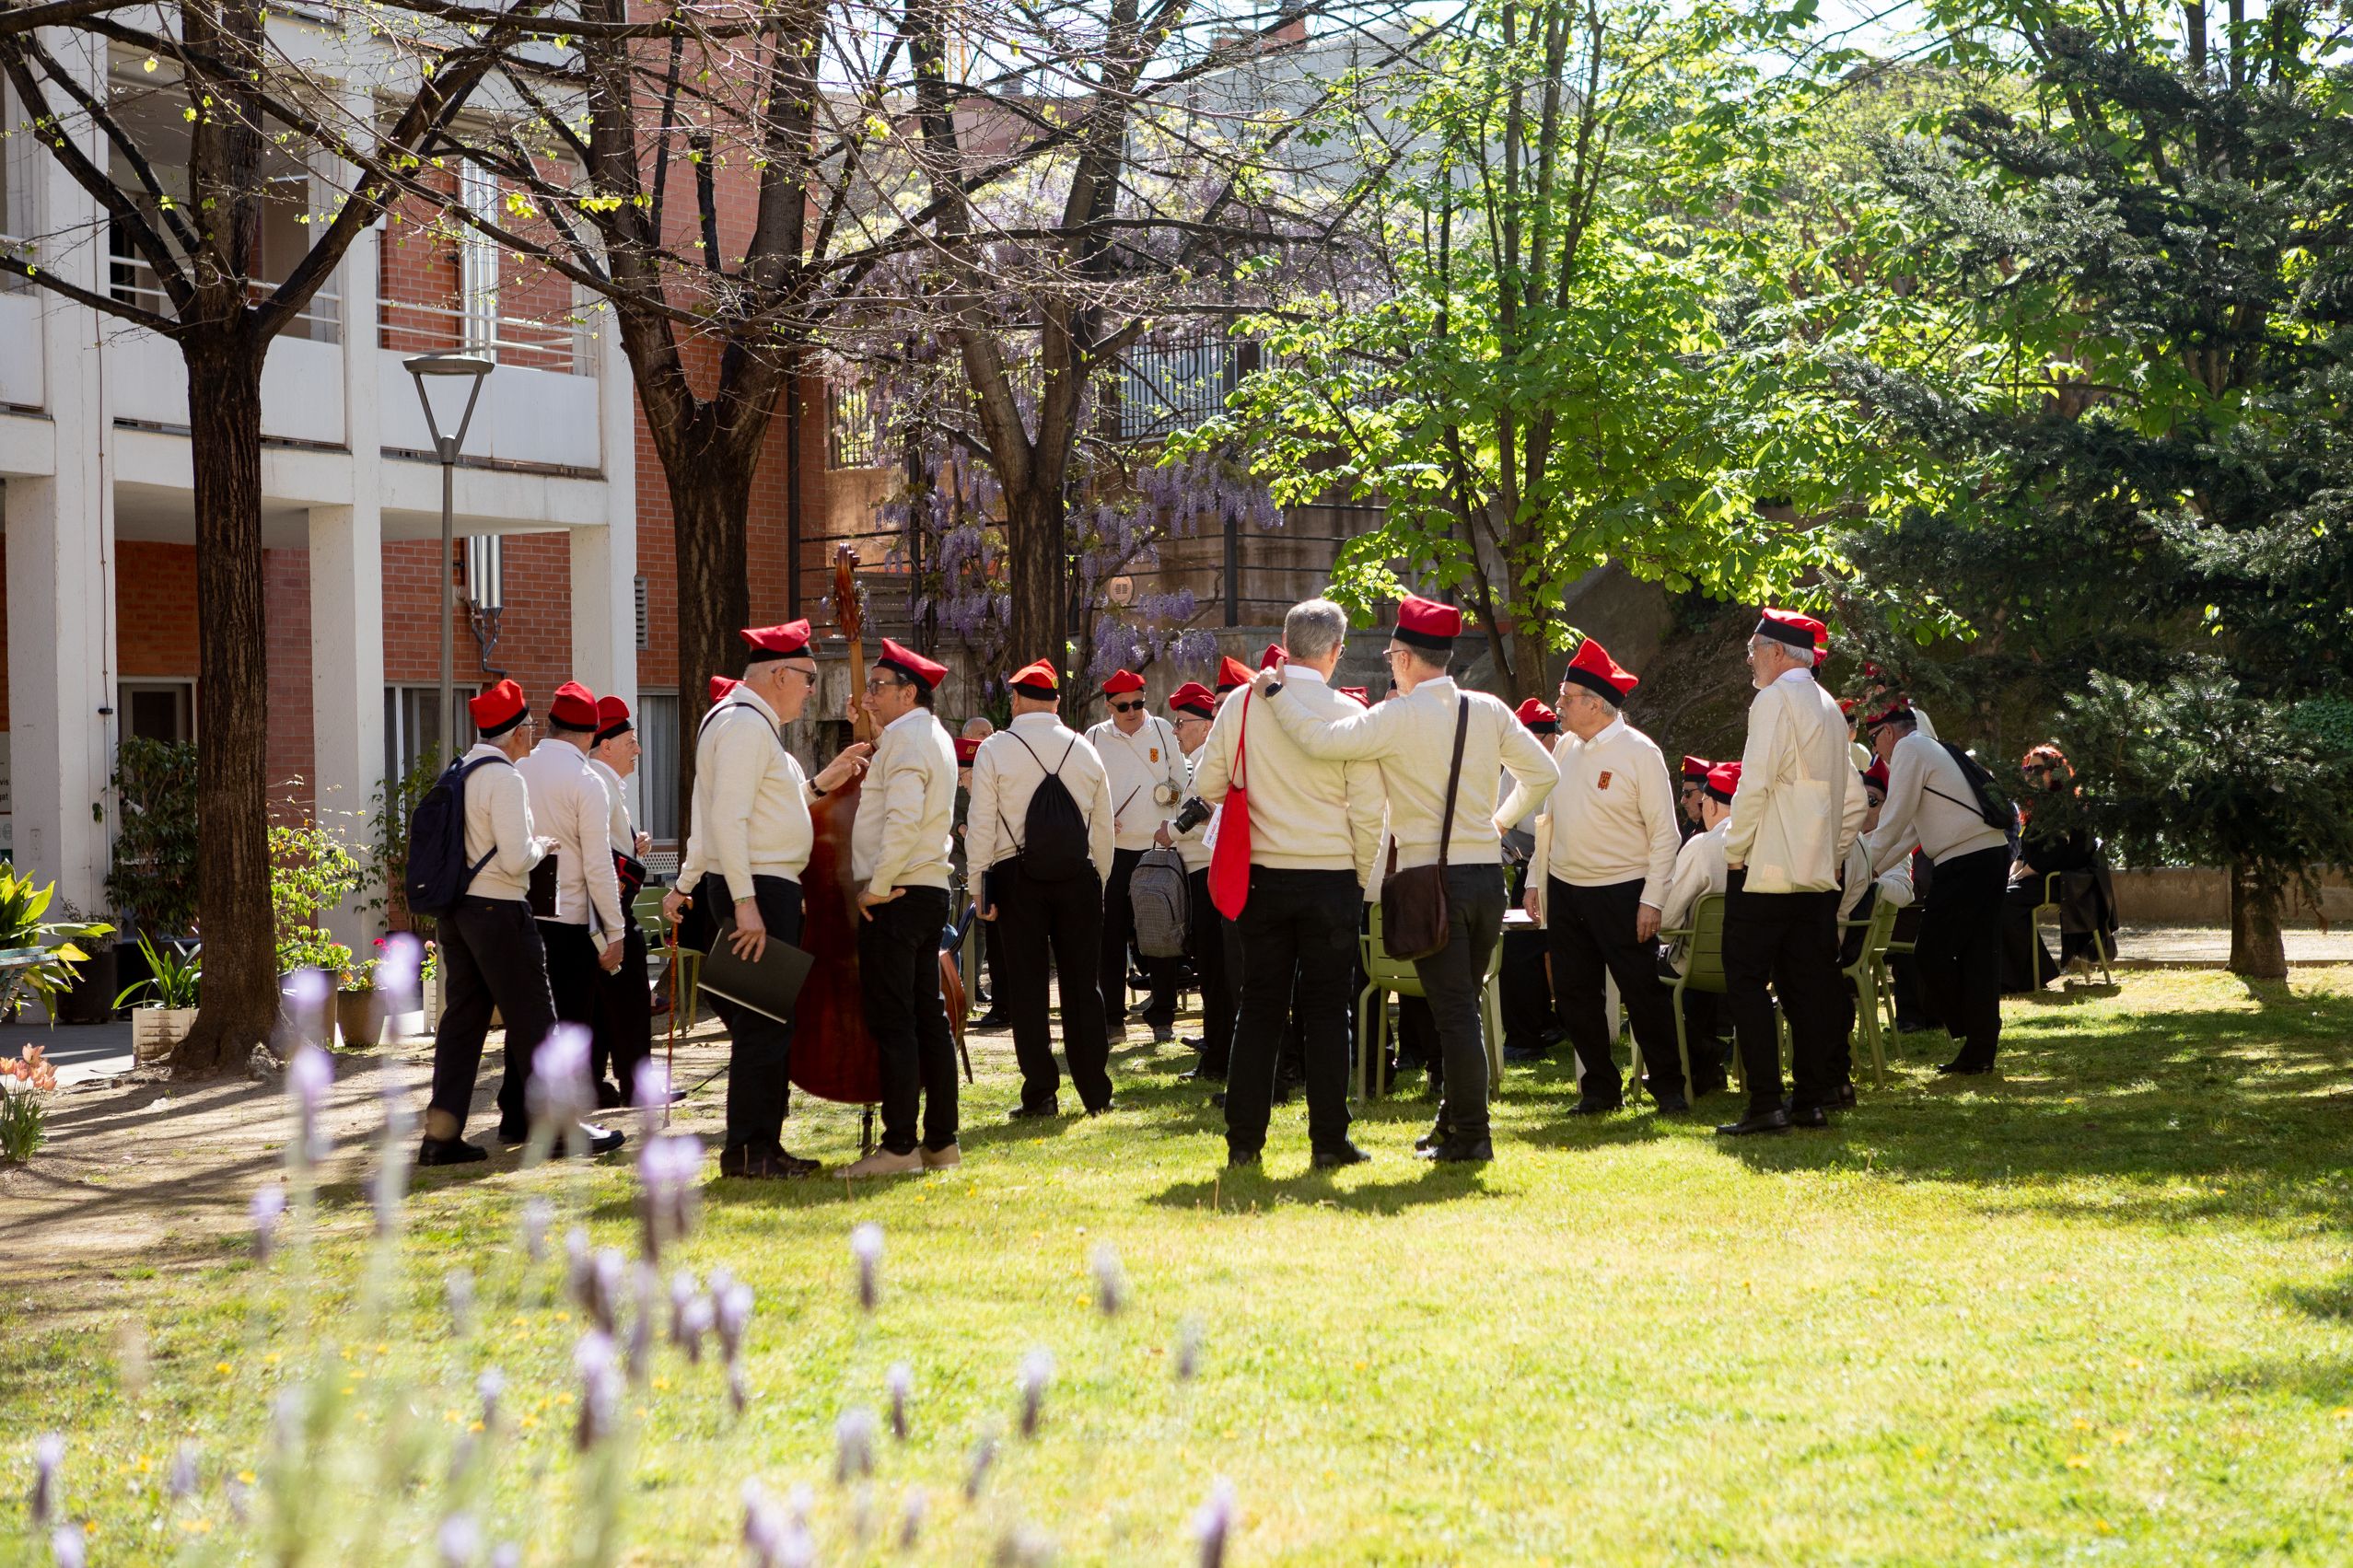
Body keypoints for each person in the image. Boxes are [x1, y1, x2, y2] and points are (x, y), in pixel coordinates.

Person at [1254, 594, 1556, 1164]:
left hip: (1429, 881)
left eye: (1393, 653)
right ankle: (1453, 1124)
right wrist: (1498, 821)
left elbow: (1319, 741)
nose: (1391, 661)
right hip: (1487, 880)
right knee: (1461, 1004)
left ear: (1406, 659)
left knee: (1455, 1013)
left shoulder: (1395, 717)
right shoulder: (1487, 708)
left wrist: (1273, 694)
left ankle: (1472, 1135)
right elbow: (1545, 772)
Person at [664, 621, 871, 1179]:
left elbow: (755, 812)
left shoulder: (747, 724)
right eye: (807, 677)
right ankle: (751, 1152)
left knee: (768, 1023)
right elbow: (727, 821)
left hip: (761, 886)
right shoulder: (743, 725)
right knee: (763, 1026)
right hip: (757, 888)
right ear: (779, 673)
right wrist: (746, 902)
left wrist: (819, 784)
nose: (811, 689)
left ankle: (760, 1147)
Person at [1193, 600, 1385, 1170]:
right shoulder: (1348, 712)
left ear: (1284, 639)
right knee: (1328, 1012)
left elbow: (1206, 781)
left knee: (1259, 1008)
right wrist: (1361, 874)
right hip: (1331, 878)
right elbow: (1371, 812)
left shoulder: (1242, 704)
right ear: (1336, 652)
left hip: (1263, 877)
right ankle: (1329, 1142)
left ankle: (1244, 1142)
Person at [1715, 609, 1866, 1137]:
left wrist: (1734, 849)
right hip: (1816, 878)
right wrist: (1829, 850)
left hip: (1765, 873)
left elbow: (1753, 784)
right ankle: (1809, 1099)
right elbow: (1853, 801)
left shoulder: (1774, 699)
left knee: (1747, 983)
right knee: (1806, 988)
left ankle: (1764, 1103)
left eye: (1754, 649)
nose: (1750, 660)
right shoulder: (1827, 705)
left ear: (1778, 652)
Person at [1527, 637, 1683, 1112]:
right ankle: (1598, 1088)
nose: (1560, 706)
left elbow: (1665, 834)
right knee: (1574, 996)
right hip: (1568, 890)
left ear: (1596, 704)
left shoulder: (1640, 752)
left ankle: (1669, 1089)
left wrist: (1652, 899)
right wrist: (1536, 878)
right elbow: (1547, 820)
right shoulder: (1567, 749)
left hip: (1623, 891)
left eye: (1567, 698)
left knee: (1642, 994)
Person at [965, 659, 1118, 1116]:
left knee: (1028, 989)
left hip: (1018, 878)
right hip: (1079, 878)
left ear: (1015, 700)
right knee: (1082, 987)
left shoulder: (996, 747)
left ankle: (1041, 1094)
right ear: (1055, 702)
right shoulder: (1085, 748)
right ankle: (1095, 1093)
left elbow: (981, 824)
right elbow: (1104, 828)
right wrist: (1100, 879)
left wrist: (979, 885)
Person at [419, 680, 557, 1166]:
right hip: (499, 909)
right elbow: (518, 857)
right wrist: (544, 845)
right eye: (532, 727)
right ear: (518, 733)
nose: (535, 734)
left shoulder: (462, 769)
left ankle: (441, 1136)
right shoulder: (506, 778)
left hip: (458, 914)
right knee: (535, 1017)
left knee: (462, 1024)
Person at [840, 638, 961, 1178]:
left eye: (879, 687)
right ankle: (940, 1142)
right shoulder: (923, 734)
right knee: (928, 1019)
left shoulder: (908, 740)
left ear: (909, 693)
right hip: (927, 888)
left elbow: (902, 820)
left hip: (900, 891)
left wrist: (876, 885)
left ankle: (898, 1148)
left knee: (896, 1023)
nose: (869, 696)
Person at [513, 680, 630, 1156]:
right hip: (570, 916)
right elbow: (600, 864)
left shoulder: (519, 768)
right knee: (573, 1024)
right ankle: (565, 1125)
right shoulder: (586, 781)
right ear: (588, 736)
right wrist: (616, 930)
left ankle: (516, 1115)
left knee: (530, 1018)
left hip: (525, 909)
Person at [1861, 703, 2009, 1075]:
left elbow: (1894, 821)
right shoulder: (1929, 749)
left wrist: (1856, 867)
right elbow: (1911, 830)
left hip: (1965, 862)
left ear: (1889, 733)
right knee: (1977, 956)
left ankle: (1973, 1029)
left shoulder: (1910, 749)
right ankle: (1980, 1047)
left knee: (1930, 953)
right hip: (1986, 856)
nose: (1875, 749)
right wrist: (1871, 866)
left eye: (1873, 738)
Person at [1088, 668, 1188, 1043]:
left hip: (1157, 847)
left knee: (1160, 933)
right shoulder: (1094, 737)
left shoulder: (1163, 730)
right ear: (1109, 706)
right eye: (1124, 705)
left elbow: (1182, 778)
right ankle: (1113, 1020)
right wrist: (1099, 816)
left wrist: (1171, 800)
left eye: (1138, 703)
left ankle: (1163, 1017)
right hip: (1113, 852)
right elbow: (1085, 790)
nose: (1132, 711)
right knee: (1110, 937)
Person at [1158, 681, 1229, 1083]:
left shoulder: (1206, 764)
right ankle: (1215, 1049)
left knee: (1216, 970)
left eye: (1181, 723)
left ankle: (1218, 1055)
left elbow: (1202, 818)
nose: (1176, 731)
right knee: (1212, 968)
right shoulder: (1201, 761)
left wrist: (1169, 830)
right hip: (1202, 874)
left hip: (1209, 875)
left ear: (1204, 727)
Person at [588, 695, 657, 1108]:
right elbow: (601, 854)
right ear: (607, 745)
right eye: (631, 741)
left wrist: (635, 844)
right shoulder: (598, 780)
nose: (638, 750)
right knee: (630, 1000)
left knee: (600, 1004)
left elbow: (615, 845)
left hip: (603, 905)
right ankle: (636, 1085)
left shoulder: (605, 781)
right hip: (608, 906)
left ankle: (599, 1084)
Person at [2002, 743, 2115, 990]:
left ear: (2055, 771)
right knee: (1998, 897)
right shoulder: (2038, 807)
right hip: (2042, 878)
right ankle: (2029, 975)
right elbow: (2024, 851)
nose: (2029, 773)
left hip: (2064, 881)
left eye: (2037, 768)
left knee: (2004, 902)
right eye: (2027, 768)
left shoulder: (2064, 806)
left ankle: (2032, 976)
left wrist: (2020, 876)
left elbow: (2049, 856)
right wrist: (2013, 873)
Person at [1657, 760, 1738, 1097]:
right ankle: (1706, 1063)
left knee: (1646, 973)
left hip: (1694, 964)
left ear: (1714, 804)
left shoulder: (1703, 846)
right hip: (1750, 966)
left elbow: (1668, 920)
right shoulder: (1768, 842)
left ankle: (1698, 1054)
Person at [1835, 758, 1916, 1066]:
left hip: (1863, 944)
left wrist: (1871, 883)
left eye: (1872, 801)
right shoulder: (1845, 843)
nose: (1864, 808)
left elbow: (1904, 892)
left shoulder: (1890, 844)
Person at [1497, 698, 1562, 1064]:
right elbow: (1501, 821)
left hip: (1562, 870)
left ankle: (1529, 1033)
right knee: (1520, 946)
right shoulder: (1513, 768)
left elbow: (1551, 833)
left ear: (1550, 737)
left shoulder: (1562, 764)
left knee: (1524, 949)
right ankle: (1536, 1025)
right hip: (1528, 868)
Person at [953, 719, 1008, 1028]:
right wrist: (963, 829)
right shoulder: (958, 769)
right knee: (968, 927)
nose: (988, 738)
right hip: (966, 860)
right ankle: (968, 986)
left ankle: (996, 999)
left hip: (995, 859)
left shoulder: (998, 764)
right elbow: (950, 812)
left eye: (990, 732)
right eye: (981, 734)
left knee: (993, 932)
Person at [1677, 755, 1712, 842]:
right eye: (1683, 793)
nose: (1683, 801)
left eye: (1687, 793)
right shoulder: (1692, 828)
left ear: (1706, 793)